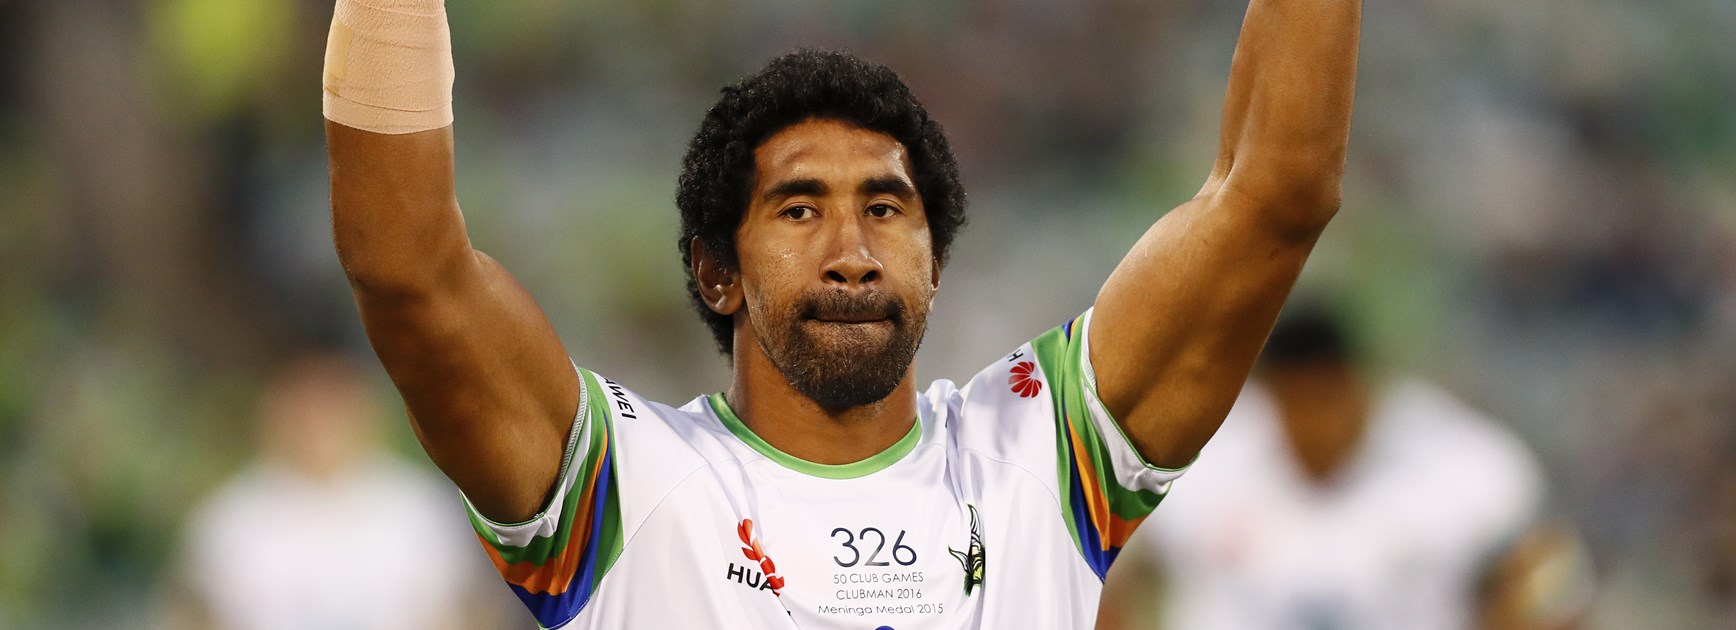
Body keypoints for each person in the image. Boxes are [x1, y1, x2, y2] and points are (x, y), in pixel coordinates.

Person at [320, 0, 1360, 626]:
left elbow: (1275, 194)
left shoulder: (1041, 453)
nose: (851, 253)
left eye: (886, 209)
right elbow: (406, 267)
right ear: (716, 273)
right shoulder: (619, 486)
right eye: (798, 209)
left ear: (935, 265)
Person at [1097, 307, 1595, 630]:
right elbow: (1104, 576)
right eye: (1295, 404)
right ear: (1270, 397)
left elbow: (1552, 585)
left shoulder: (1465, 466)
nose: (1313, 423)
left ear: (1360, 388)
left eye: (1326, 400)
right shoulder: (1198, 460)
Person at [171, 353, 510, 630]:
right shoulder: (229, 518)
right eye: (306, 410)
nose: (319, 427)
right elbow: (193, 614)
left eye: (331, 408)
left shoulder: (420, 505)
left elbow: (471, 608)